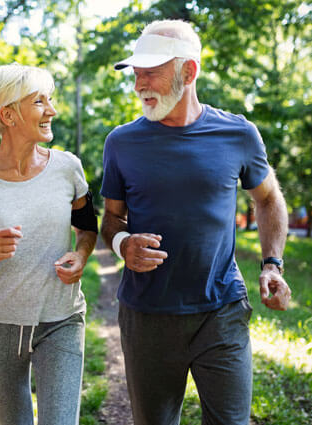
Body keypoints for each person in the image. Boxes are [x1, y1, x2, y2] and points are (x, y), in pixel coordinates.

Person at [100, 19, 291, 425]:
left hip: (220, 311)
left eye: (151, 72)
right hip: (146, 314)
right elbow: (111, 219)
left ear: (189, 71)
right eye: (136, 73)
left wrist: (272, 264)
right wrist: (122, 245)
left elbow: (270, 199)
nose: (139, 85)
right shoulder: (120, 142)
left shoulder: (238, 134)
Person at [0, 63, 98, 425]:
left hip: (62, 320)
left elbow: (88, 227)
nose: (52, 111)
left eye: (51, 100)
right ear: (9, 115)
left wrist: (81, 254)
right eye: (40, 102)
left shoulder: (68, 167)